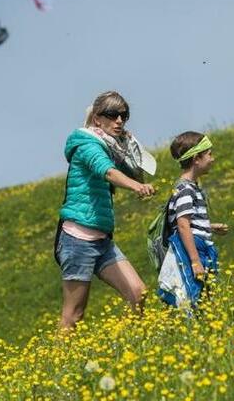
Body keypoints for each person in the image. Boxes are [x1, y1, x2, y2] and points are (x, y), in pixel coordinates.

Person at [55, 91, 155, 329]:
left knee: (138, 293)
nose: (119, 120)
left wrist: (129, 151)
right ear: (97, 119)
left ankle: (133, 349)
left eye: (123, 115)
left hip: (102, 240)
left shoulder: (111, 146)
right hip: (77, 239)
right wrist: (136, 187)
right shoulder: (87, 145)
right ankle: (60, 362)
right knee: (74, 314)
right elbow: (107, 171)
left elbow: (134, 169)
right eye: (112, 115)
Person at [157, 132, 229, 308]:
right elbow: (182, 225)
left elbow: (188, 222)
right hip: (194, 248)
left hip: (200, 244)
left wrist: (209, 227)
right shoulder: (185, 189)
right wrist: (195, 260)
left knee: (207, 296)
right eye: (209, 154)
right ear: (197, 158)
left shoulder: (191, 187)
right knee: (193, 295)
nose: (213, 159)